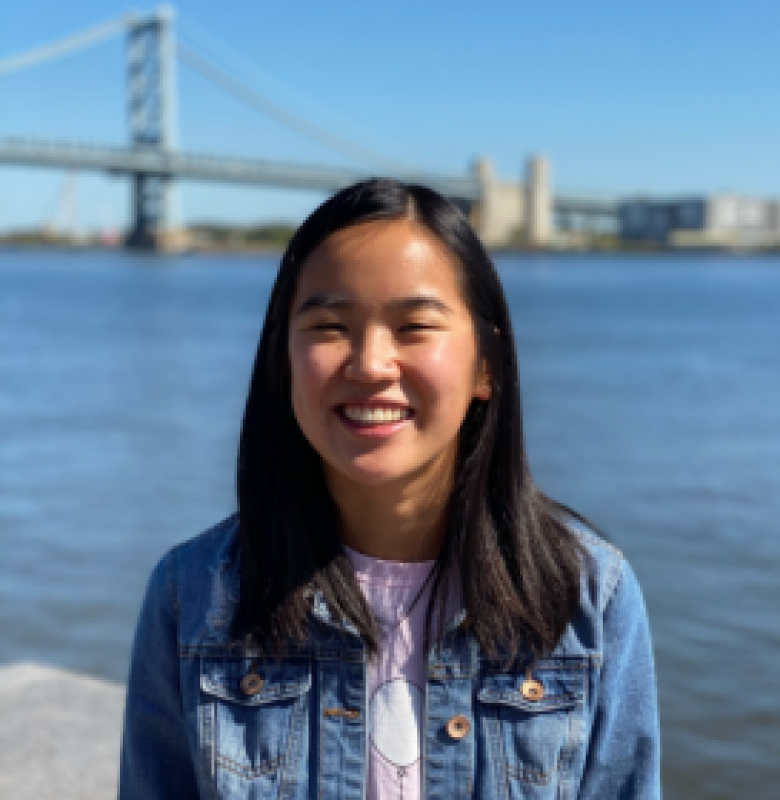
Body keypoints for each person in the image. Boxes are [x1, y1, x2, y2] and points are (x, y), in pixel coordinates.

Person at [118, 179, 660, 799]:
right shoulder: (191, 596)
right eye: (329, 325)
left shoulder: (589, 596)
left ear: (486, 366)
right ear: (282, 360)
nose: (371, 364)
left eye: (414, 326)